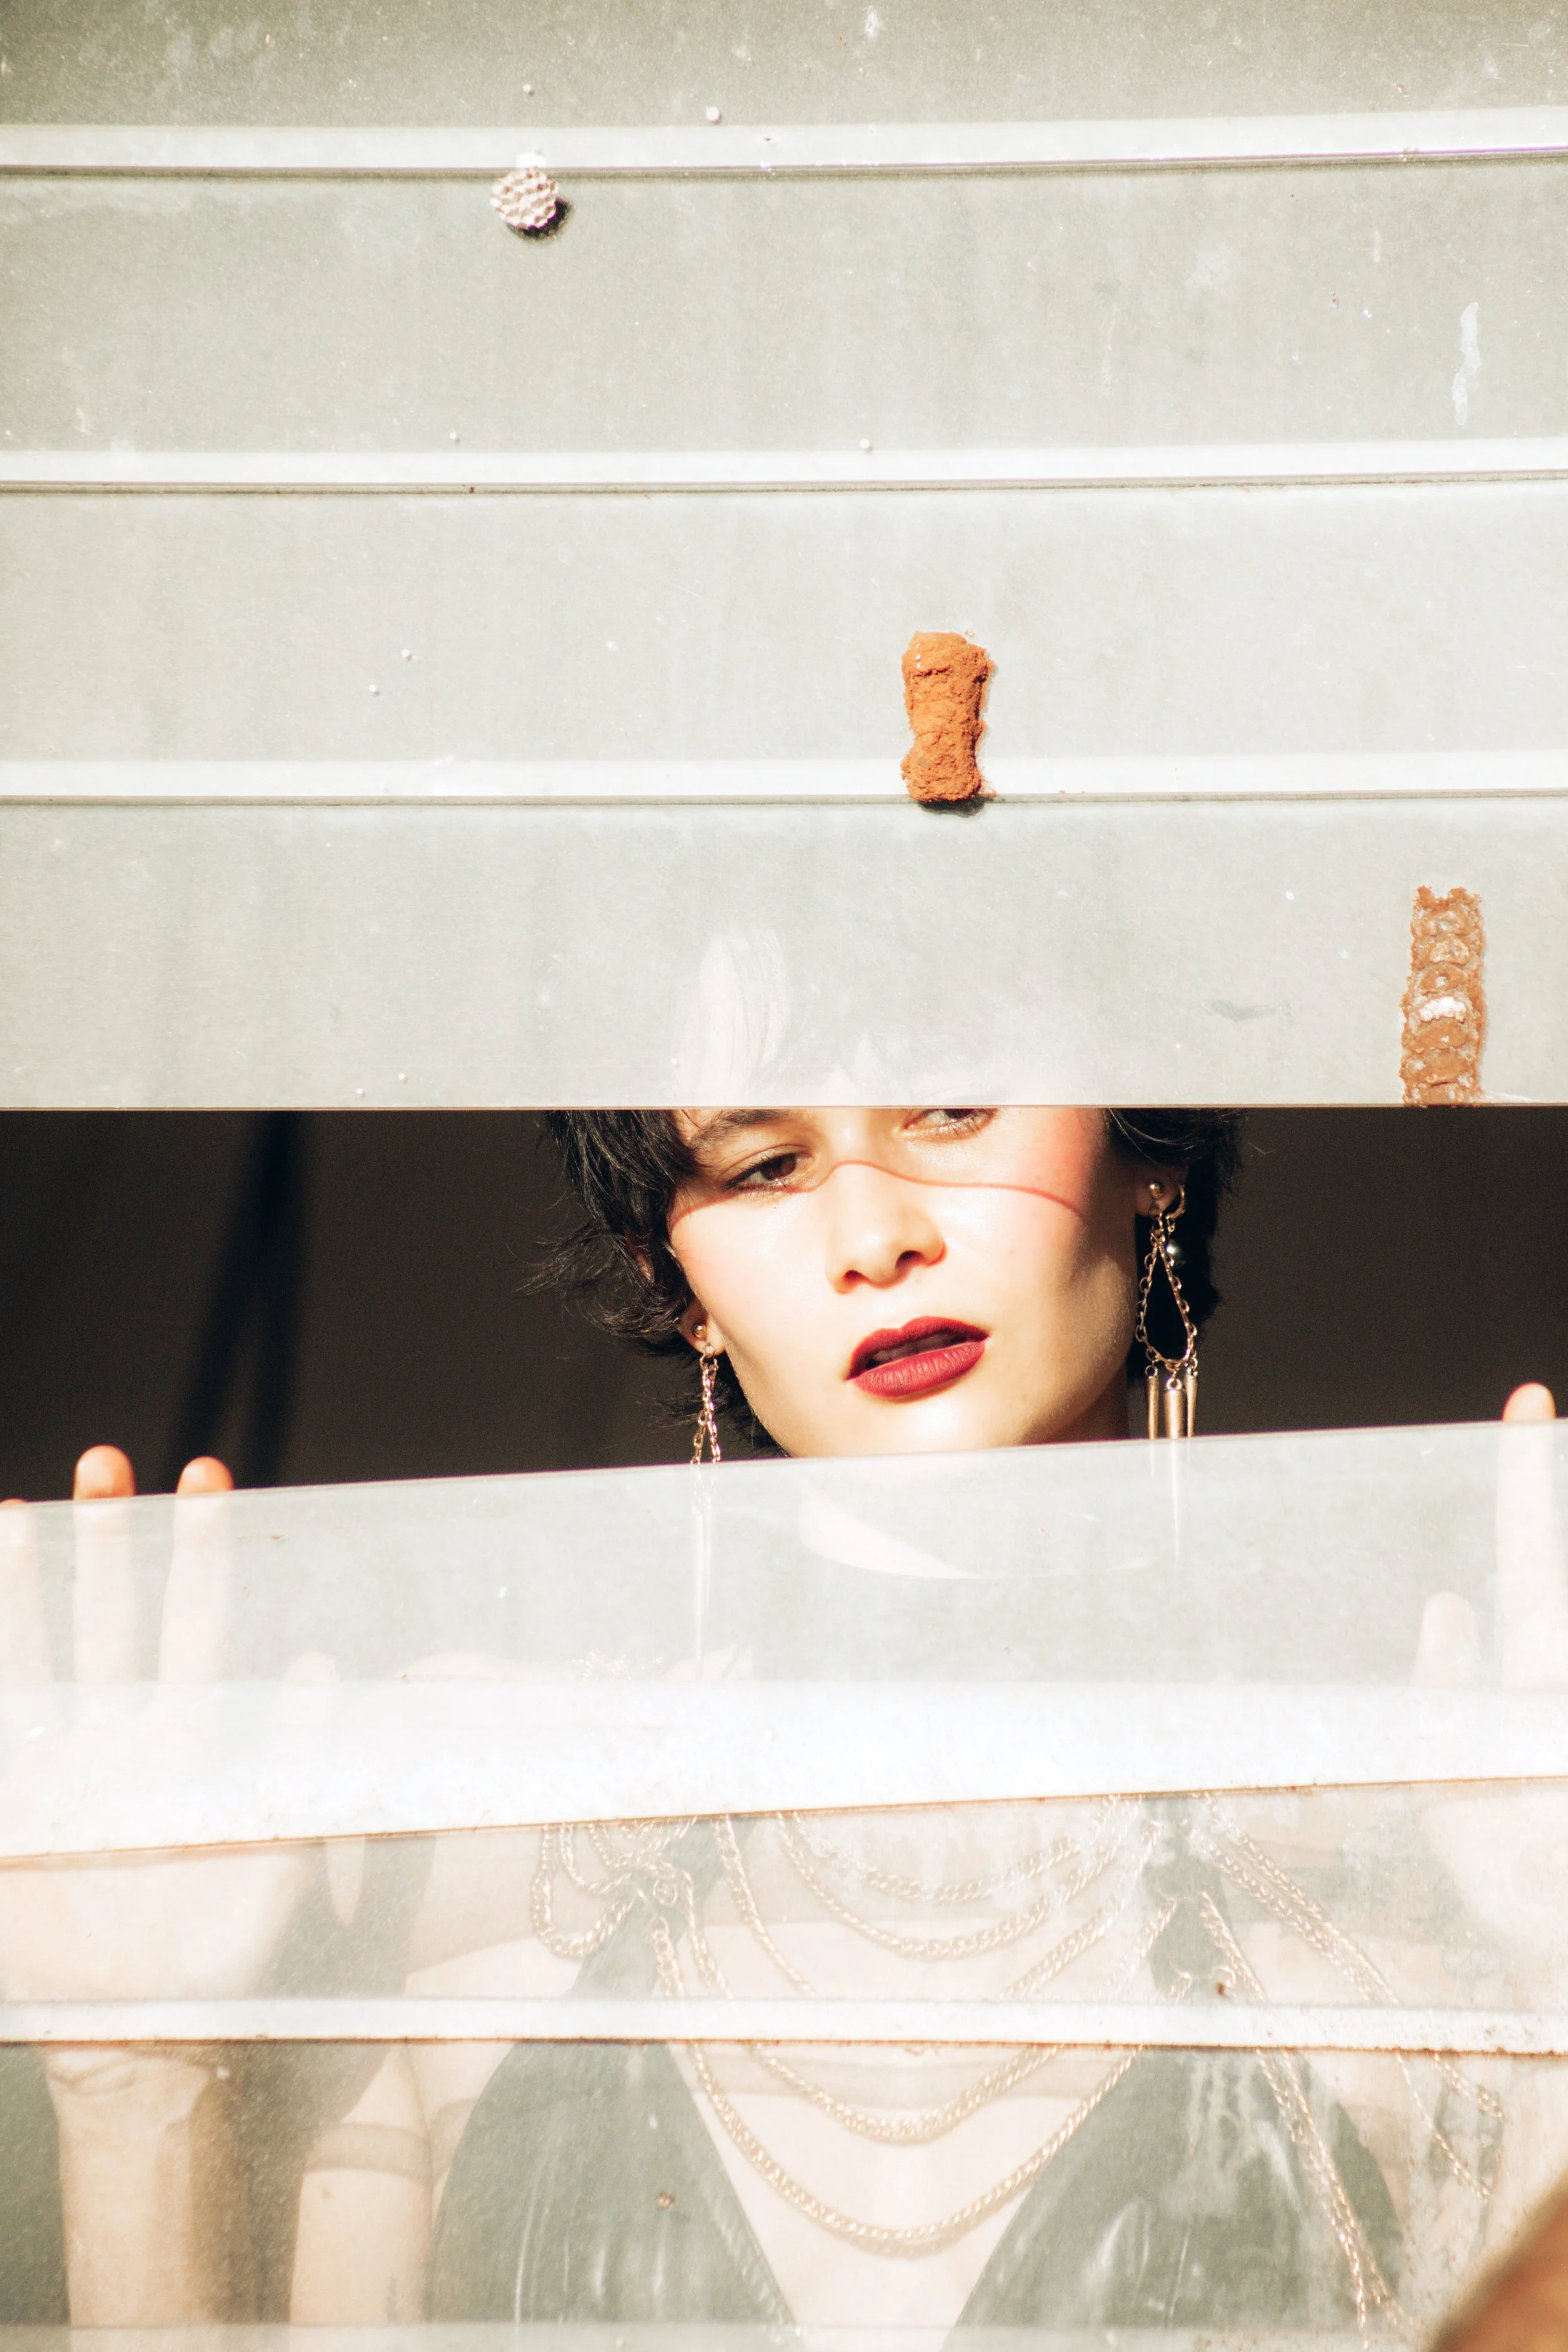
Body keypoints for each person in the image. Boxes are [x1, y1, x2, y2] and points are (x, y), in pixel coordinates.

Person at [1, 1106, 1562, 2330]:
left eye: (952, 1114)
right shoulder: (479, 1838)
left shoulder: (1406, 1844)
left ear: (1146, 1157)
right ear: (666, 1275)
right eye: (760, 1164)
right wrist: (127, 2074)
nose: (874, 1237)